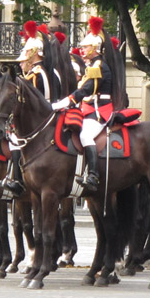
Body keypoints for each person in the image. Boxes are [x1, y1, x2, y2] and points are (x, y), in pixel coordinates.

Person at [52, 16, 114, 192]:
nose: (82, 49)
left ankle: (93, 175)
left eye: (86, 46)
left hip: (99, 110)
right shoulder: (92, 65)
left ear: (94, 48)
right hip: (88, 108)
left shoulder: (98, 66)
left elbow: (87, 89)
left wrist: (67, 101)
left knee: (86, 135)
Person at [1, 21, 59, 197]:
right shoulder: (39, 72)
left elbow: (35, 100)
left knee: (15, 140)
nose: (21, 64)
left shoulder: (36, 74)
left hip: (39, 116)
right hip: (42, 113)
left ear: (34, 54)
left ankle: (17, 179)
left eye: (24, 59)